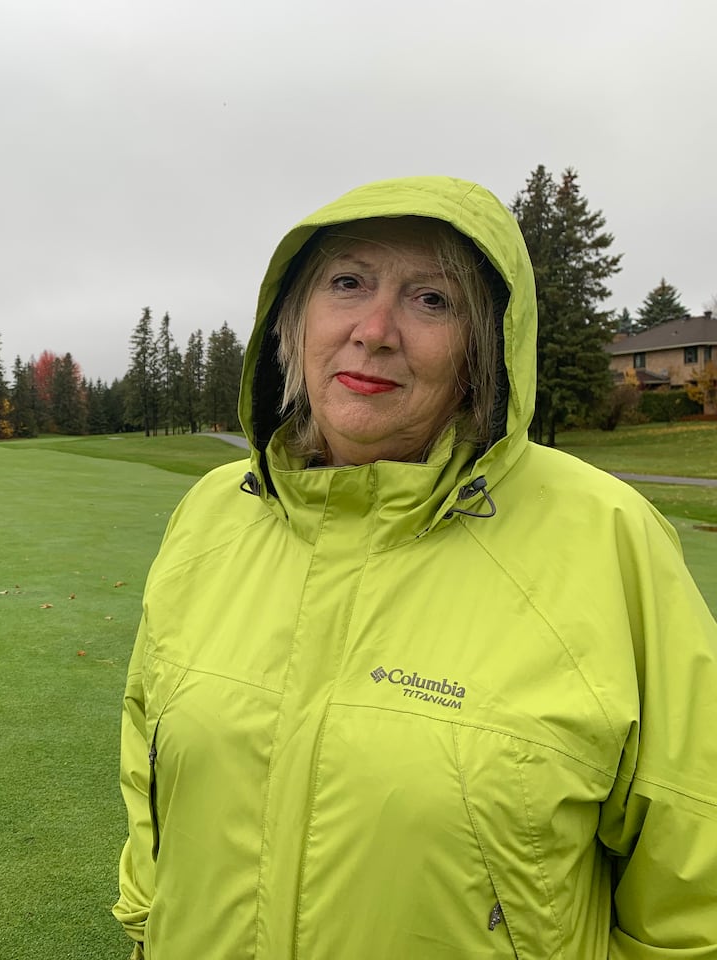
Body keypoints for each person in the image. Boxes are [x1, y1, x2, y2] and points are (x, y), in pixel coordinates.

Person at [113, 175, 717, 958]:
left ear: (486, 346)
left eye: (432, 300)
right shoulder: (211, 514)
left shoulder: (609, 538)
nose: (374, 329)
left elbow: (693, 878)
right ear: (293, 321)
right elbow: (149, 769)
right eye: (347, 283)